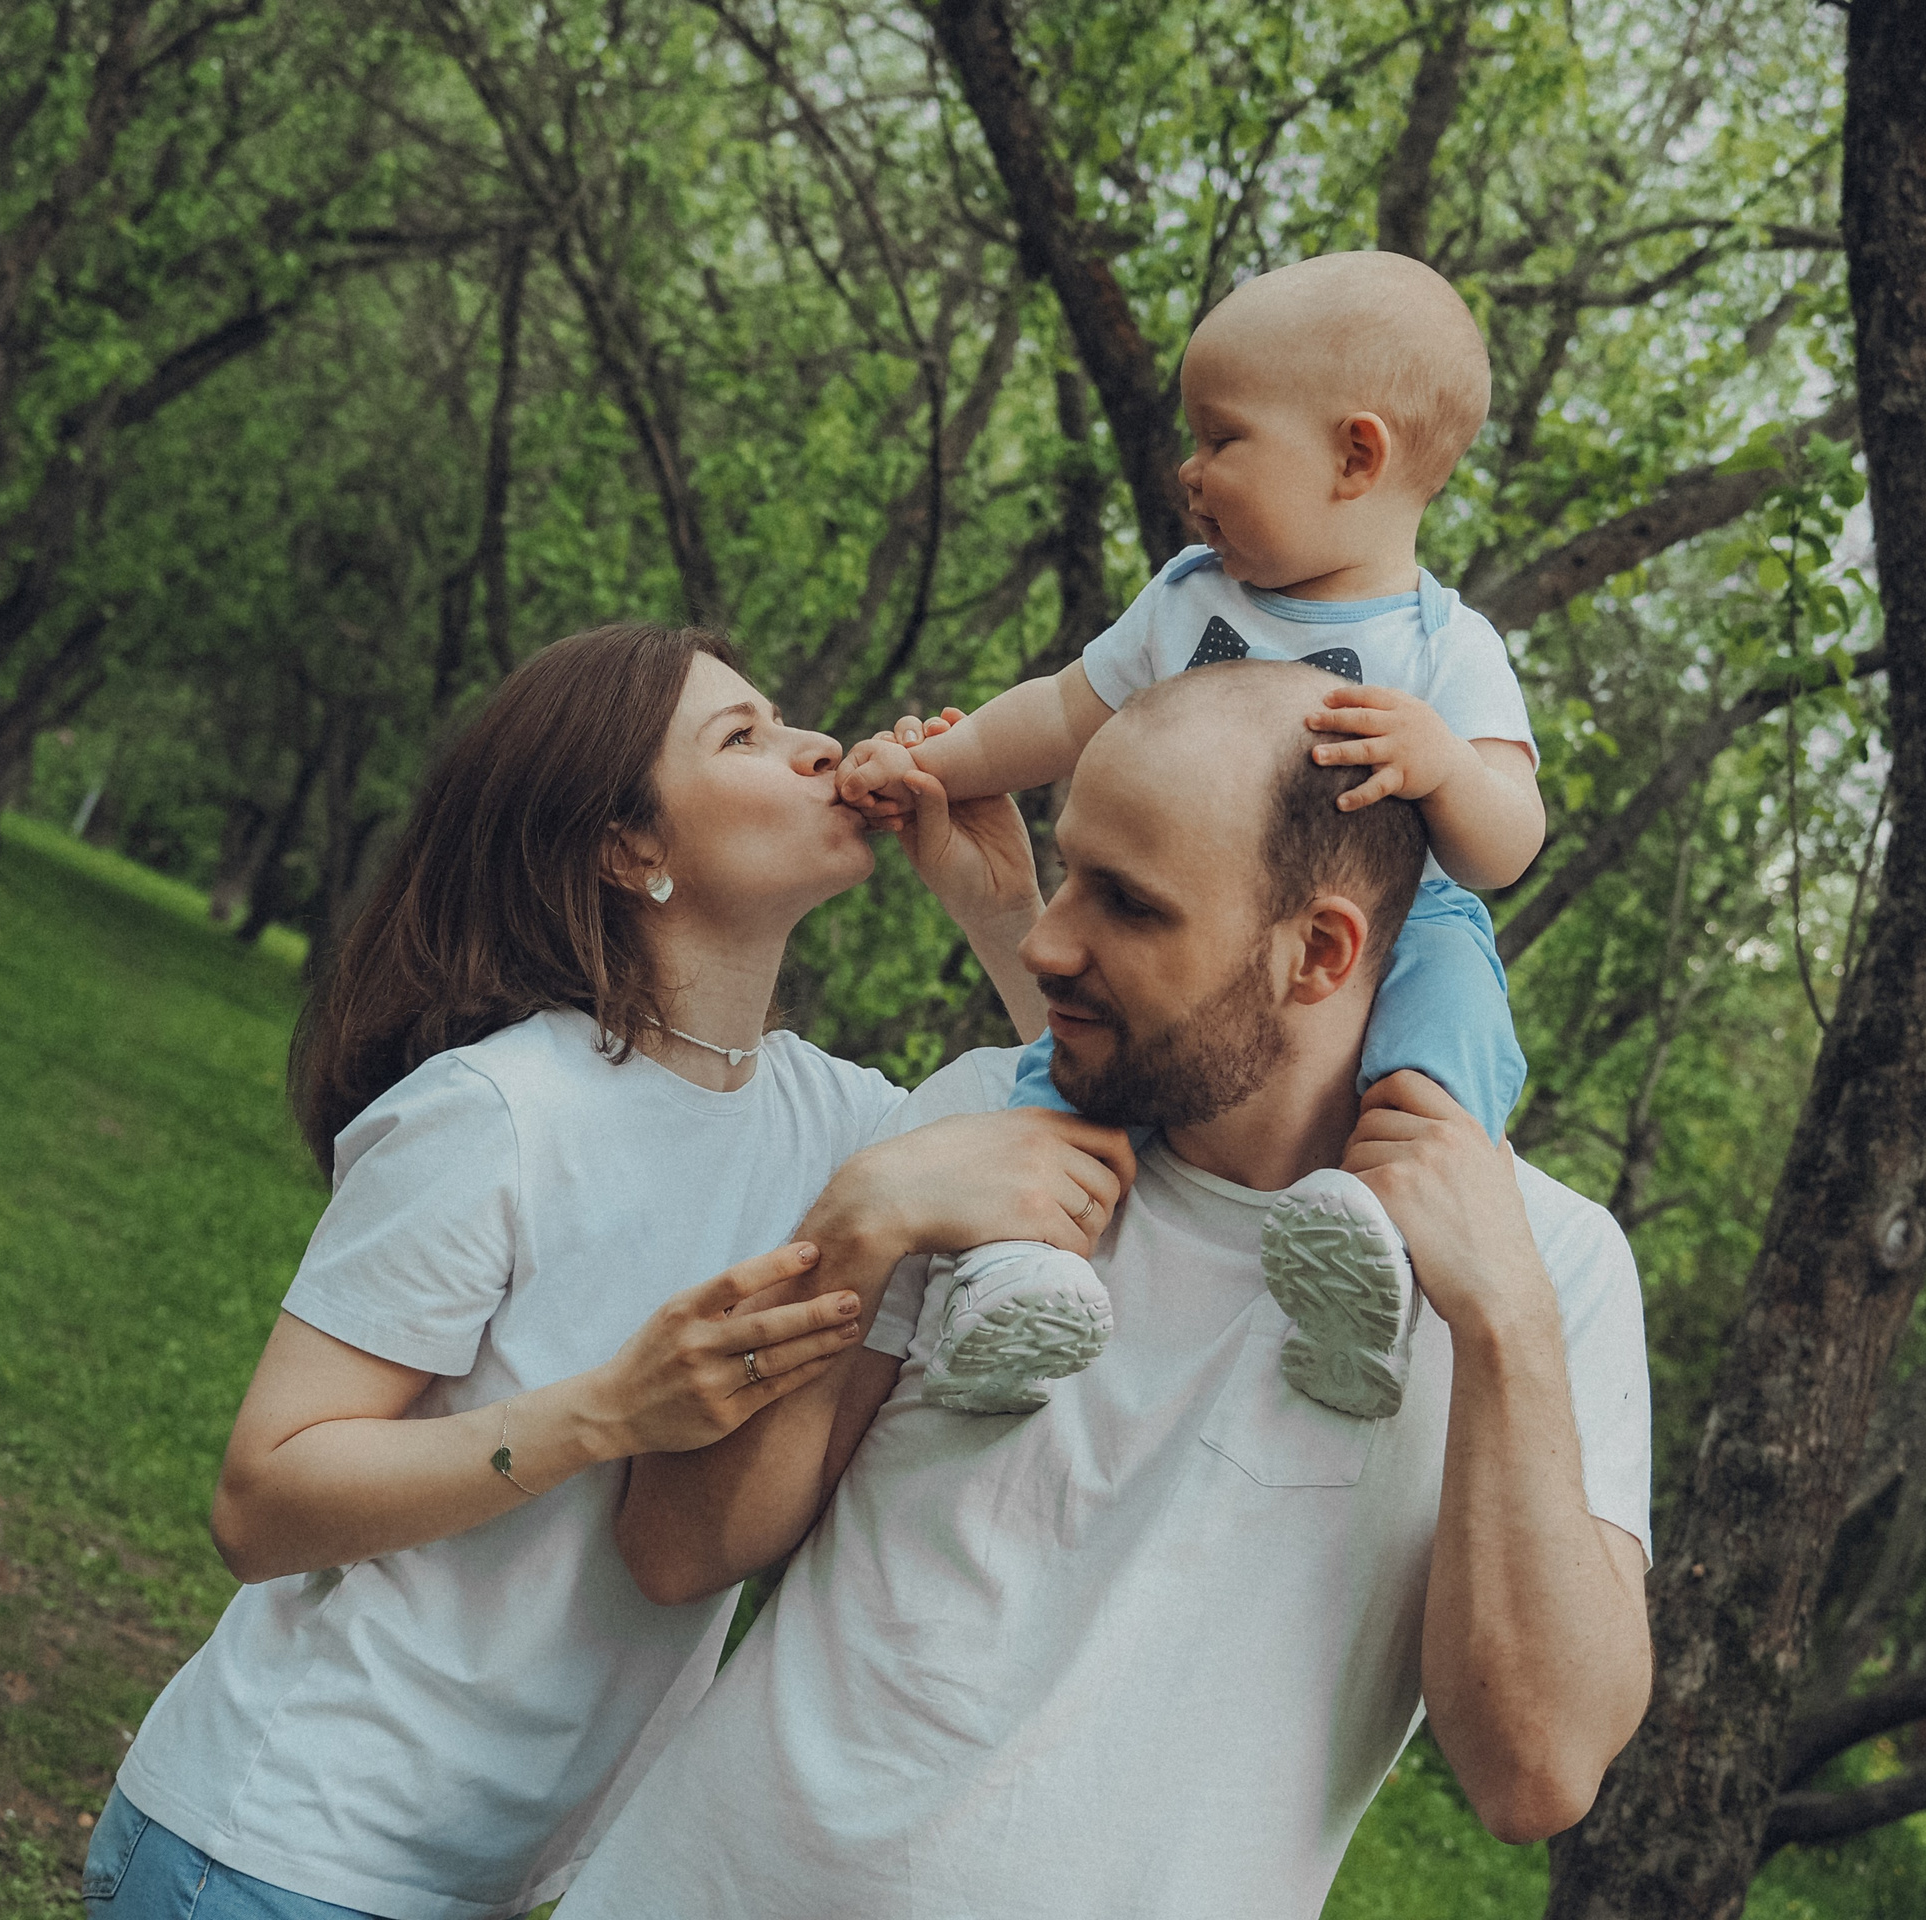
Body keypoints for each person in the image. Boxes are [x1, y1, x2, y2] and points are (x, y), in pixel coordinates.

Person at [80, 625, 1134, 1920]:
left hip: (506, 1876)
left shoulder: (849, 1127)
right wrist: (606, 1415)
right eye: (741, 737)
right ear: (632, 847)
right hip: (282, 1847)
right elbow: (262, 1499)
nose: (817, 747)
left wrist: (1001, 914)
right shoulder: (499, 1112)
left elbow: (1103, 1137)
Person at [575, 661, 1653, 1920]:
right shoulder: (975, 1124)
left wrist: (1506, 1328)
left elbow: (1537, 1774)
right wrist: (856, 1229)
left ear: (1317, 954)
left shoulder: (1546, 1269)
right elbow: (677, 1551)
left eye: (1128, 906)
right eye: (1069, 868)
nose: (1045, 940)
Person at [836, 251, 1543, 1424]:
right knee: (1056, 1077)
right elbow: (1065, 710)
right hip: (1190, 949)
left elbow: (1503, 845)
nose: (1190, 468)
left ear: (1355, 457)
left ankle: (1379, 1249)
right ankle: (1018, 1270)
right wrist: (932, 764)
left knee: (1448, 1029)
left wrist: (1443, 765)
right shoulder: (1188, 600)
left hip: (1393, 923)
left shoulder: (1443, 647)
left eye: (1223, 438)